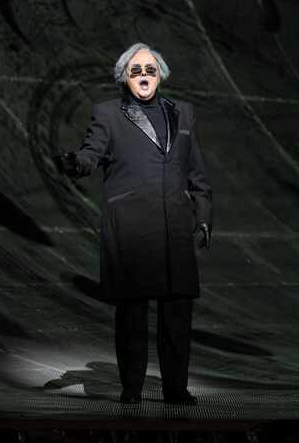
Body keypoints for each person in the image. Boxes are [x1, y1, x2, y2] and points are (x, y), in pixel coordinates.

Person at [53, 42, 212, 405]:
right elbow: (92, 152)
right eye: (136, 70)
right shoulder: (108, 114)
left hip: (174, 230)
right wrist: (76, 163)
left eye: (150, 69)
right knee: (132, 318)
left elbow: (196, 172)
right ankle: (132, 390)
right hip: (133, 231)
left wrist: (203, 218)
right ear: (124, 76)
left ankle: (175, 389)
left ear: (161, 75)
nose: (144, 75)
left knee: (176, 319)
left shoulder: (183, 114)